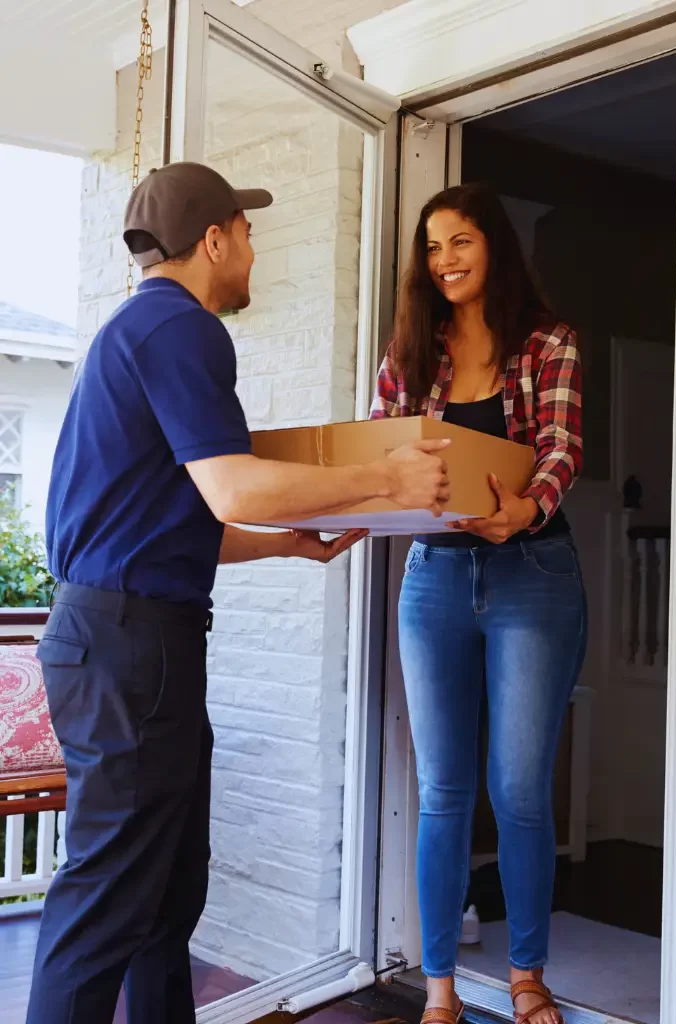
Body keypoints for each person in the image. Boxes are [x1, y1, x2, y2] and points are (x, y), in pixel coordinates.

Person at [26, 161, 451, 1024]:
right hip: (132, 650)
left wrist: (288, 545)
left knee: (162, 902)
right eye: (247, 232)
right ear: (212, 239)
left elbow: (182, 523)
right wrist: (384, 480)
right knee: (108, 906)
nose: (254, 250)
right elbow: (235, 486)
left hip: (124, 641)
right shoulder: (183, 330)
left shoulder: (137, 333)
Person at [370, 183, 587, 1024]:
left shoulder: (548, 342)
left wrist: (523, 508)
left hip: (532, 575)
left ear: (492, 245)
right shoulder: (409, 354)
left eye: (460, 241)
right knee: (442, 789)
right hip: (433, 582)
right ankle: (439, 990)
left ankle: (528, 976)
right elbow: (382, 452)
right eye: (432, 247)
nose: (445, 260)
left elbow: (563, 444)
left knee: (521, 789)